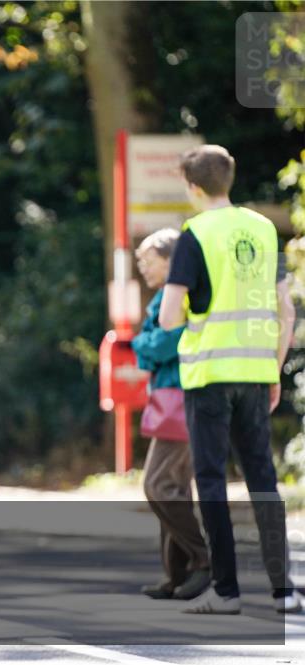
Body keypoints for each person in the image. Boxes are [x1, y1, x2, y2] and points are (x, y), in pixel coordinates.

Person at [159, 145, 301, 614]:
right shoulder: (263, 229)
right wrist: (274, 368)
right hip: (257, 372)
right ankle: (283, 591)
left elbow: (166, 316)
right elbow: (286, 309)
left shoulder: (195, 234)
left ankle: (227, 592)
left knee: (212, 480)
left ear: (193, 186)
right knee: (263, 477)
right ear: (230, 179)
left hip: (210, 373)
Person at [132, 228, 210, 602]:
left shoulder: (178, 296)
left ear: (171, 259)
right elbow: (154, 346)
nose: (143, 267)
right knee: (173, 487)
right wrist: (146, 346)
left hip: (182, 397)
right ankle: (176, 574)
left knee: (158, 485)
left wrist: (140, 344)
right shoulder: (165, 296)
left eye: (148, 260)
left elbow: (163, 344)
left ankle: (203, 560)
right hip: (174, 399)